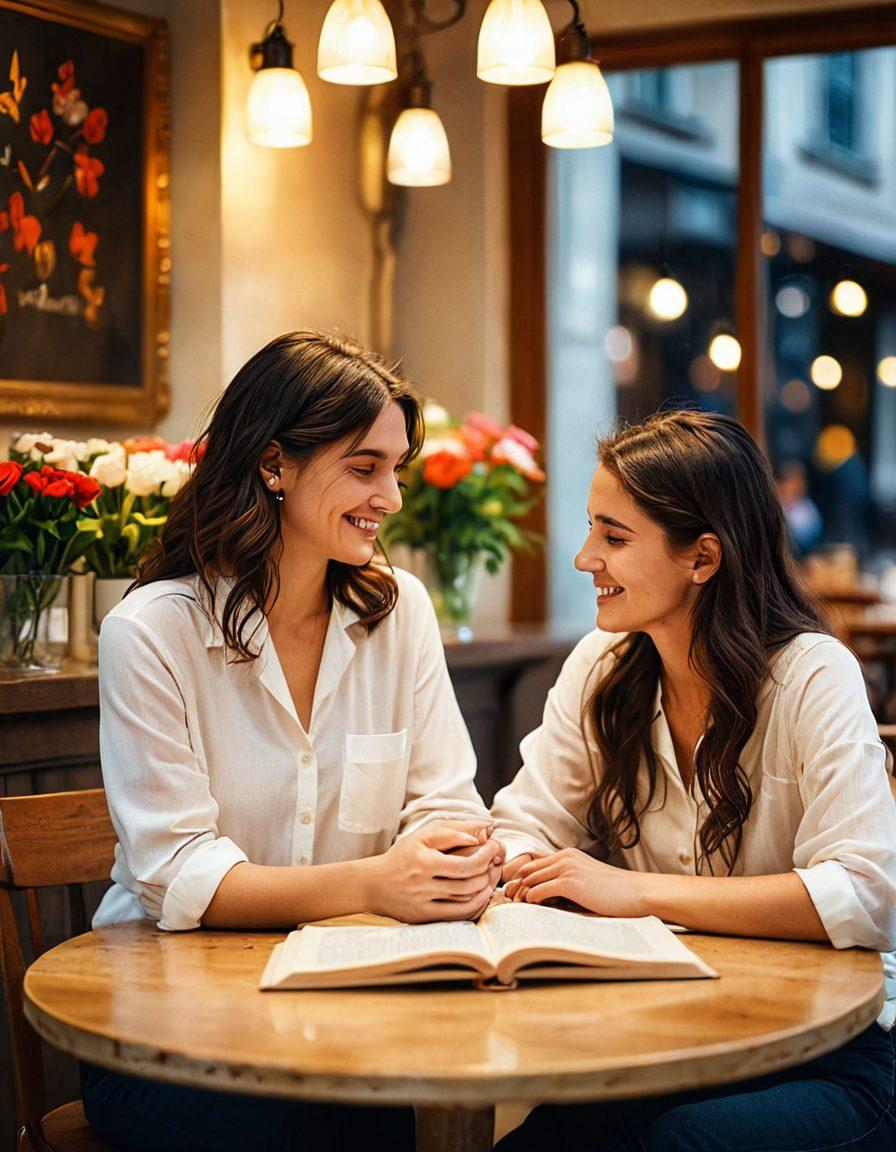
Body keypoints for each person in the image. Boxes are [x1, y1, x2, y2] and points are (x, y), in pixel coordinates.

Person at [83, 331, 503, 1151]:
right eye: (364, 466)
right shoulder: (151, 634)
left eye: (397, 469)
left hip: (347, 1008)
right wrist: (380, 883)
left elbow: (444, 799)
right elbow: (179, 875)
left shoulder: (399, 609)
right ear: (274, 464)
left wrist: (445, 857)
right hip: (169, 1027)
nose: (391, 496)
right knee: (319, 1127)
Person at [492, 409, 896, 1151]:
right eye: (592, 530)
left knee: (687, 1144)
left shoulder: (813, 674)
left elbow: (866, 895)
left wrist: (633, 893)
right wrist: (522, 866)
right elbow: (522, 822)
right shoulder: (602, 668)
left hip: (828, 1053)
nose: (585, 559)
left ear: (702, 558)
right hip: (665, 1040)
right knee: (535, 1145)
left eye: (614, 537)